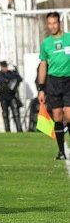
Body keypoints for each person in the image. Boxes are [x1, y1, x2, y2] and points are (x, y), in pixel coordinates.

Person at [37, 12, 70, 160]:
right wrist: (41, 88)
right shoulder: (46, 43)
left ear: (59, 23)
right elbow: (43, 65)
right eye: (49, 24)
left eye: (54, 23)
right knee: (57, 116)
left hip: (69, 80)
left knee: (69, 114)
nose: (52, 26)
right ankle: (61, 151)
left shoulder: (68, 38)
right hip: (53, 82)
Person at [0, 61, 23, 132]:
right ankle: (7, 130)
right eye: (3, 67)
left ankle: (19, 130)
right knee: (5, 114)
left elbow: (20, 79)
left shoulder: (11, 73)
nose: (5, 68)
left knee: (16, 113)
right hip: (3, 96)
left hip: (12, 96)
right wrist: (0, 89)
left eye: (5, 66)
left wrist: (16, 72)